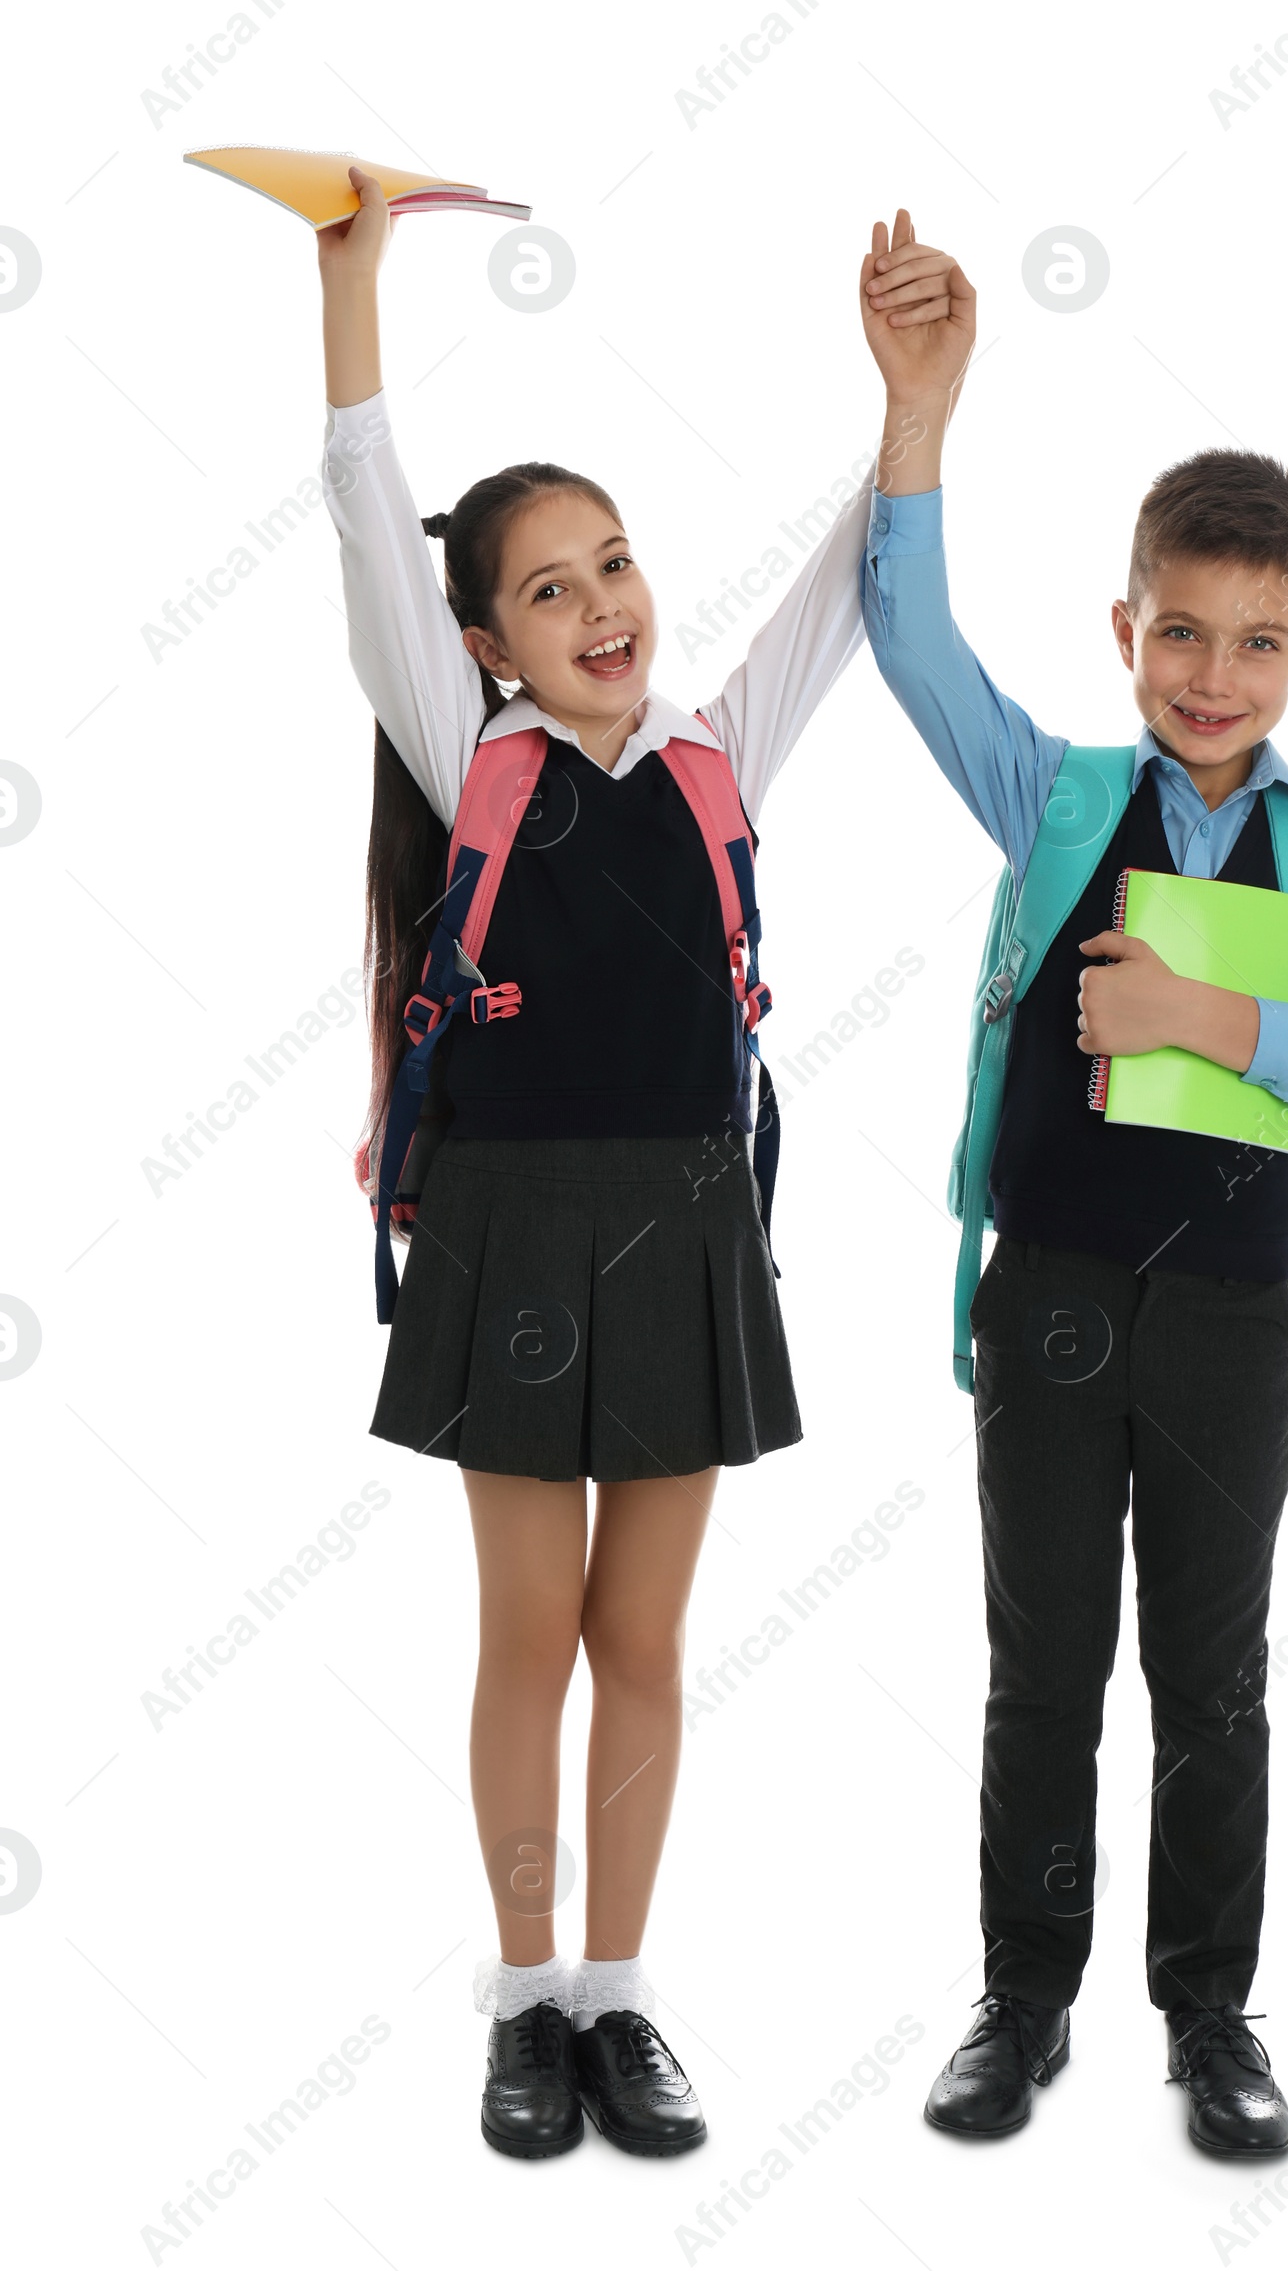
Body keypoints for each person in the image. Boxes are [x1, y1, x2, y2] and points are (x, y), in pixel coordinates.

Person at [315, 170, 934, 2158]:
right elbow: (359, 517)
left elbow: (850, 592)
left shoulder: (711, 755)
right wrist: (354, 291)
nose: (602, 609)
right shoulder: (464, 758)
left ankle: (618, 1998)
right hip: (506, 1225)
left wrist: (907, 413)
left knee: (641, 1638)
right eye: (550, 589)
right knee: (524, 1631)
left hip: (683, 1224)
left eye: (616, 566)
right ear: (480, 641)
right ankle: (518, 2004)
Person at [857, 218, 1288, 2150]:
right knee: (1043, 1669)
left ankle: (1211, 2020)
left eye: (1256, 639)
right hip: (1052, 1295)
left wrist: (1205, 1012)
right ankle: (1022, 2005)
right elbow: (916, 645)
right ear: (1125, 629)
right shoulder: (1062, 806)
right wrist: (919, 412)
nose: (1212, 671)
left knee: (1213, 1673)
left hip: (1219, 1324)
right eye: (1177, 629)